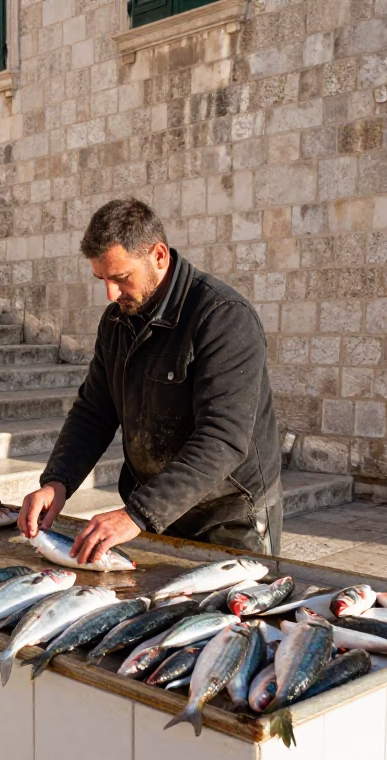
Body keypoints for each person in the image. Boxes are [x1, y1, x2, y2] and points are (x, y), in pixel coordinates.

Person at [18, 197, 283, 564]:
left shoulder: (224, 318)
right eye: (102, 279)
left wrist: (136, 514)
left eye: (121, 278)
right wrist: (57, 481)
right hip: (156, 510)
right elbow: (95, 411)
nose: (110, 294)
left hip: (229, 517)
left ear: (158, 256)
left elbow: (223, 438)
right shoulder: (116, 321)